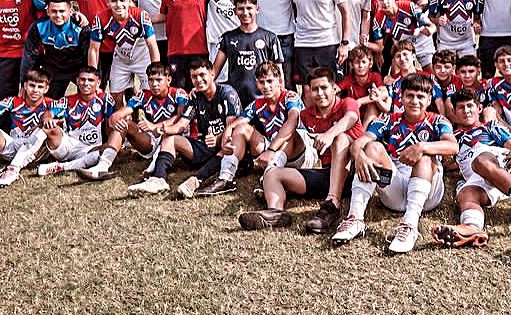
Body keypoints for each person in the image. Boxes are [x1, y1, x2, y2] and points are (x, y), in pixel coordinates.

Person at [337, 73, 457, 253]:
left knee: (424, 156)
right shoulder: (388, 120)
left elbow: (453, 146)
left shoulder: (438, 120)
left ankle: (410, 225)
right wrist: (359, 155)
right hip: (395, 188)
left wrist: (422, 146)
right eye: (410, 96)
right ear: (401, 97)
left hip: (428, 194)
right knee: (372, 148)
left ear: (429, 99)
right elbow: (359, 143)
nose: (414, 101)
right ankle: (355, 218)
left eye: (420, 97)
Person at [239, 67, 362, 234]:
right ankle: (275, 213)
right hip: (329, 174)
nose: (320, 93)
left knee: (340, 139)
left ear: (334, 88)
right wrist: (272, 152)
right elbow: (291, 129)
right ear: (309, 92)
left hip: (356, 174)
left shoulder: (347, 103)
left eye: (324, 88)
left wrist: (329, 134)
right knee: (273, 173)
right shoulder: (307, 114)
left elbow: (350, 119)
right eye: (315, 89)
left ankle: (332, 205)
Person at [434, 90, 511, 247]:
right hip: (480, 176)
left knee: (480, 160)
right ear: (454, 112)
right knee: (466, 193)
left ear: (479, 108)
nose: (466, 111)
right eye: (461, 107)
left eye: (470, 106)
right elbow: (454, 164)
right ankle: (472, 228)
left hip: (503, 164)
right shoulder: (453, 138)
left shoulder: (490, 127)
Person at [133, 57, 242, 199]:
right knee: (170, 138)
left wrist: (217, 137)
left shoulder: (227, 93)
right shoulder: (195, 97)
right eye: (194, 77)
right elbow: (181, 125)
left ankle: (197, 179)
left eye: (202, 75)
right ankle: (158, 179)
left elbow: (231, 129)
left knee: (227, 142)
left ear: (212, 75)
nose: (198, 80)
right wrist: (165, 129)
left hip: (225, 147)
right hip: (204, 146)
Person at [197, 62, 313, 196]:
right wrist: (226, 137)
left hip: (299, 154)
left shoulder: (290, 97)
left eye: (270, 81)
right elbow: (235, 124)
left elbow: (292, 121)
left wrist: (271, 150)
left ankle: (268, 178)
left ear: (279, 81)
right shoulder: (257, 104)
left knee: (290, 133)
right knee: (241, 128)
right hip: (273, 152)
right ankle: (226, 179)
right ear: (257, 83)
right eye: (262, 82)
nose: (266, 86)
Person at [96, 61, 190, 188]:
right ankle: (103, 165)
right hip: (150, 140)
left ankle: (154, 168)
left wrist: (154, 126)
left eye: (158, 80)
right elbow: (122, 112)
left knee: (167, 133)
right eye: (151, 80)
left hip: (174, 139)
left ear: (169, 80)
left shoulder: (179, 93)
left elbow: (179, 118)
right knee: (124, 124)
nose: (154, 84)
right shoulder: (143, 95)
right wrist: (115, 120)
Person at [0, 68, 61, 187]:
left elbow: (62, 124)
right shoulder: (12, 101)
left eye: (40, 87)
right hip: (14, 144)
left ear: (46, 89)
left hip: (37, 151)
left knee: (45, 129)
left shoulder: (52, 104)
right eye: (32, 85)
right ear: (25, 85)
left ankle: (12, 170)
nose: (35, 90)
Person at [58, 0, 127, 85]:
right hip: (92, 46)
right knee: (92, 88)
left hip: (118, 46)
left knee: (122, 90)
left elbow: (131, 11)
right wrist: (73, 13)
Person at [37, 66, 122, 178]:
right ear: (77, 81)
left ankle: (62, 167)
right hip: (68, 146)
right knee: (48, 127)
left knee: (108, 151)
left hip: (91, 149)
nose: (86, 83)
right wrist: (47, 118)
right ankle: (17, 164)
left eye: (91, 80)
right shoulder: (67, 101)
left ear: (98, 83)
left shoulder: (105, 100)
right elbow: (48, 113)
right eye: (82, 79)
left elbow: (112, 123)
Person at [89, 0, 160, 105]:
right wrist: (92, 77)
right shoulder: (100, 19)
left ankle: (144, 120)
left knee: (151, 93)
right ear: (107, 2)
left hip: (142, 57)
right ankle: (122, 122)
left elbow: (152, 45)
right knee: (115, 96)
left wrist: (156, 69)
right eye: (114, 1)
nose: (118, 5)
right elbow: (93, 50)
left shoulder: (141, 16)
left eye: (122, 0)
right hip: (121, 58)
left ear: (129, 0)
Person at [211, 0, 283, 105]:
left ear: (257, 9)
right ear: (235, 11)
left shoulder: (270, 37)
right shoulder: (227, 38)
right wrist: (203, 86)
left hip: (263, 100)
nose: (245, 13)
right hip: (235, 100)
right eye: (241, 8)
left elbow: (279, 74)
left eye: (249, 8)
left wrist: (281, 99)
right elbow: (214, 70)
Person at [21, 0, 90, 99]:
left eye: (62, 11)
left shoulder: (81, 27)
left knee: (87, 100)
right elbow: (29, 57)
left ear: (70, 11)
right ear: (48, 12)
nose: (58, 15)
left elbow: (88, 56)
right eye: (54, 11)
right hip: (53, 68)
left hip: (77, 68)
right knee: (49, 104)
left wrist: (92, 80)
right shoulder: (38, 27)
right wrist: (24, 84)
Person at [160, 0, 209, 90]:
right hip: (176, 50)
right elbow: (163, 15)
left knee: (199, 89)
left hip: (199, 49)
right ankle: (180, 113)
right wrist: (139, 17)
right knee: (179, 91)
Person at [367, 0, 435, 69]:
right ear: (376, 1)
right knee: (396, 75)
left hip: (422, 43)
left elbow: (431, 25)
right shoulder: (378, 19)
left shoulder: (409, 6)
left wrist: (430, 30)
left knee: (431, 75)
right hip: (403, 47)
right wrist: (376, 52)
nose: (385, 2)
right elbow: (379, 46)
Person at [338, 45, 385, 125]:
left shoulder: (375, 77)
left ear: (370, 63)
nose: (360, 66)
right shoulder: (349, 79)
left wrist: (360, 101)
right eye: (357, 62)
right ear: (351, 65)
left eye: (364, 62)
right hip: (354, 115)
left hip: (371, 117)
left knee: (372, 105)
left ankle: (363, 133)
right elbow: (336, 89)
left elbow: (383, 94)